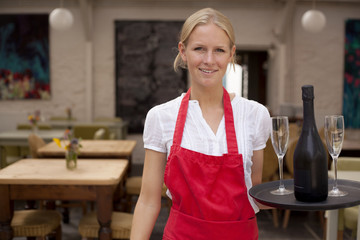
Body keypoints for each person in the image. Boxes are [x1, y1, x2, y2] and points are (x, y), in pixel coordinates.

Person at [130, 8, 271, 240]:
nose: (209, 60)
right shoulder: (161, 117)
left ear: (231, 54)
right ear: (183, 52)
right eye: (199, 49)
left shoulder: (255, 114)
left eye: (219, 50)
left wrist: (300, 196)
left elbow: (254, 192)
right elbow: (147, 201)